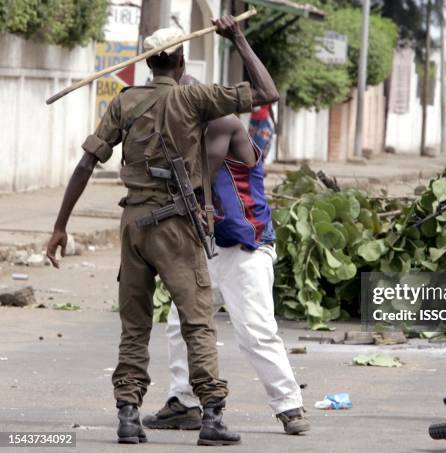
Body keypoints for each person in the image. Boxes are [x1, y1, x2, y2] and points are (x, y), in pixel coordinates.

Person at [45, 16, 279, 446]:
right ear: (182, 59)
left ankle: (128, 417)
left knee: (135, 325)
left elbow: (85, 164)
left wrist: (60, 226)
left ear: (149, 62)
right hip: (175, 225)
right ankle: (211, 417)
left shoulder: (124, 102)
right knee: (197, 322)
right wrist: (239, 38)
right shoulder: (195, 98)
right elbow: (268, 93)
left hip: (133, 223)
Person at [142, 107, 309, 435]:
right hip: (207, 249)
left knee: (256, 332)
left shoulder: (223, 124)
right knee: (180, 325)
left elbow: (203, 170)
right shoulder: (184, 133)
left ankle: (289, 406)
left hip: (244, 250)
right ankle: (184, 402)